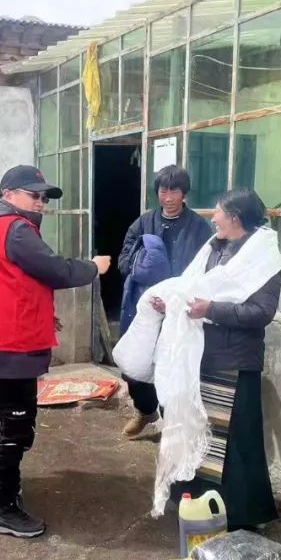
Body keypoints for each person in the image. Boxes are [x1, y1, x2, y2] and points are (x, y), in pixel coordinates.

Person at [0, 165, 110, 538]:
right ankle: (3, 508)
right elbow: (56, 270)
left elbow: (8, 283)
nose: (41, 203)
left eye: (44, 198)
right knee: (11, 427)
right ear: (8, 194)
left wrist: (43, 313)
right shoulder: (15, 229)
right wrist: (93, 267)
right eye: (34, 195)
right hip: (9, 350)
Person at [150, 188, 281, 531]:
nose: (213, 218)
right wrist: (173, 303)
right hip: (202, 356)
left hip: (236, 361)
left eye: (219, 212)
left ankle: (241, 514)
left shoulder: (262, 257)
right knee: (200, 430)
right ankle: (199, 500)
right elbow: (191, 288)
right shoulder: (215, 248)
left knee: (235, 441)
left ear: (235, 217)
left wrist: (210, 310)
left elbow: (261, 312)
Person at [117, 165, 212, 441]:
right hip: (145, 307)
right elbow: (124, 259)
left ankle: (172, 425)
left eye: (174, 191)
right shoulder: (144, 223)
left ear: (184, 194)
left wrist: (175, 300)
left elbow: (206, 269)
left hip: (180, 308)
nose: (168, 197)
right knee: (135, 364)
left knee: (172, 364)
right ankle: (145, 411)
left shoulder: (198, 227)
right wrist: (141, 270)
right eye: (163, 191)